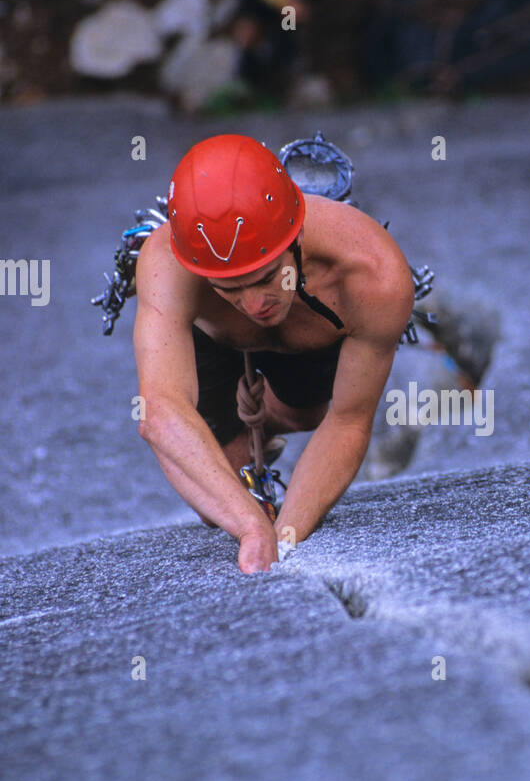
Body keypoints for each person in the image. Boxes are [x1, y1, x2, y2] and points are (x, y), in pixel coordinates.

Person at [134, 133, 414, 574]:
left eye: (266, 278)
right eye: (229, 289)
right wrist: (250, 527)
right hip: (216, 338)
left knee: (310, 416)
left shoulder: (373, 276)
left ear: (296, 235)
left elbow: (348, 421)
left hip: (315, 321)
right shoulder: (166, 263)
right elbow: (160, 411)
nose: (253, 304)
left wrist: (285, 536)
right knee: (216, 502)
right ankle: (249, 435)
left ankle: (273, 417)